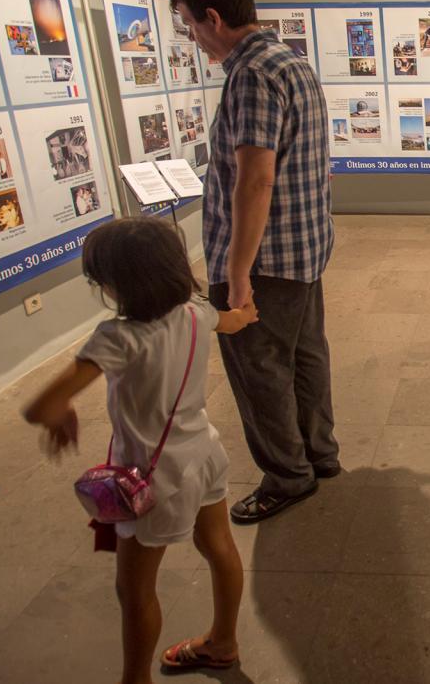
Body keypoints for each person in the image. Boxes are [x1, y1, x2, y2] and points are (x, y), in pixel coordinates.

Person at [21, 217, 258, 681]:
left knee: (134, 591)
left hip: (154, 477)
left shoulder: (116, 338)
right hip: (204, 453)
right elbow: (231, 322)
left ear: (114, 283)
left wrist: (62, 409)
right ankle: (224, 641)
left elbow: (38, 408)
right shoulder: (194, 311)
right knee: (219, 546)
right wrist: (247, 314)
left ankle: (135, 679)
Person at [172, 0, 339, 524]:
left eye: (190, 26)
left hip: (264, 260)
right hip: (304, 249)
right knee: (305, 356)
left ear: (213, 18)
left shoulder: (250, 75)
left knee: (260, 368)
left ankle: (288, 476)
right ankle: (319, 455)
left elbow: (256, 179)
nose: (192, 38)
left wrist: (237, 272)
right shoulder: (291, 61)